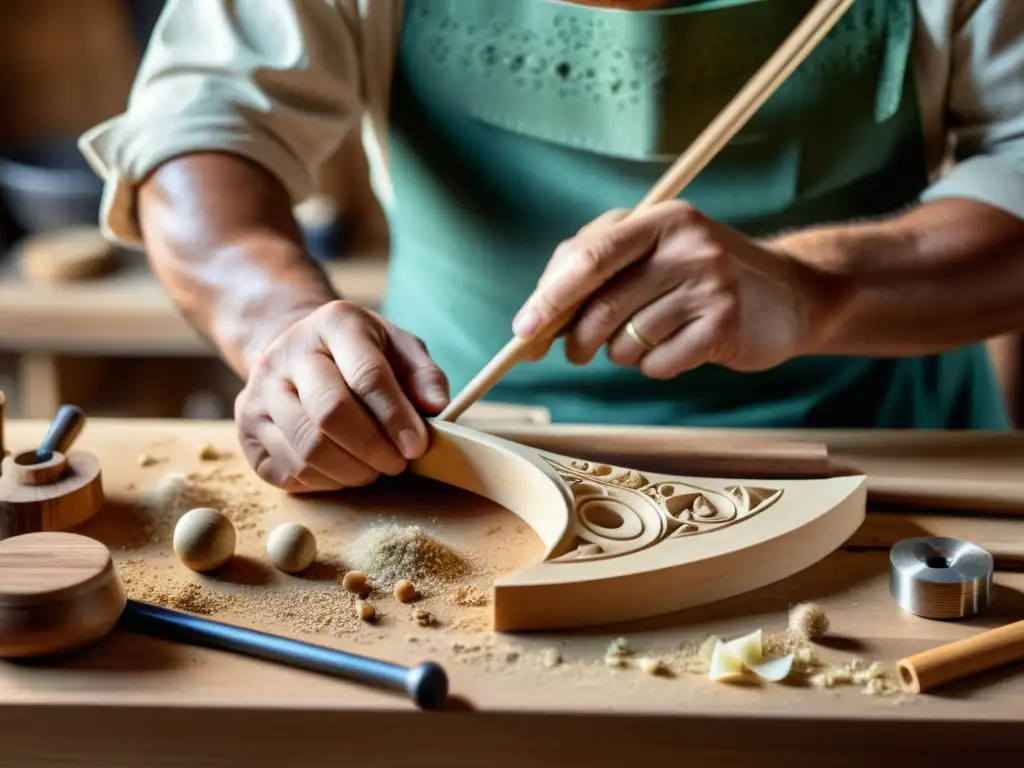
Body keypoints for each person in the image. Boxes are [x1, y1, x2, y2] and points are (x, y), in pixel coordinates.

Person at [79, 0, 1024, 493]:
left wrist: (814, 285)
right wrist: (278, 327)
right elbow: (195, 132)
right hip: (451, 454)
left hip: (883, 454)